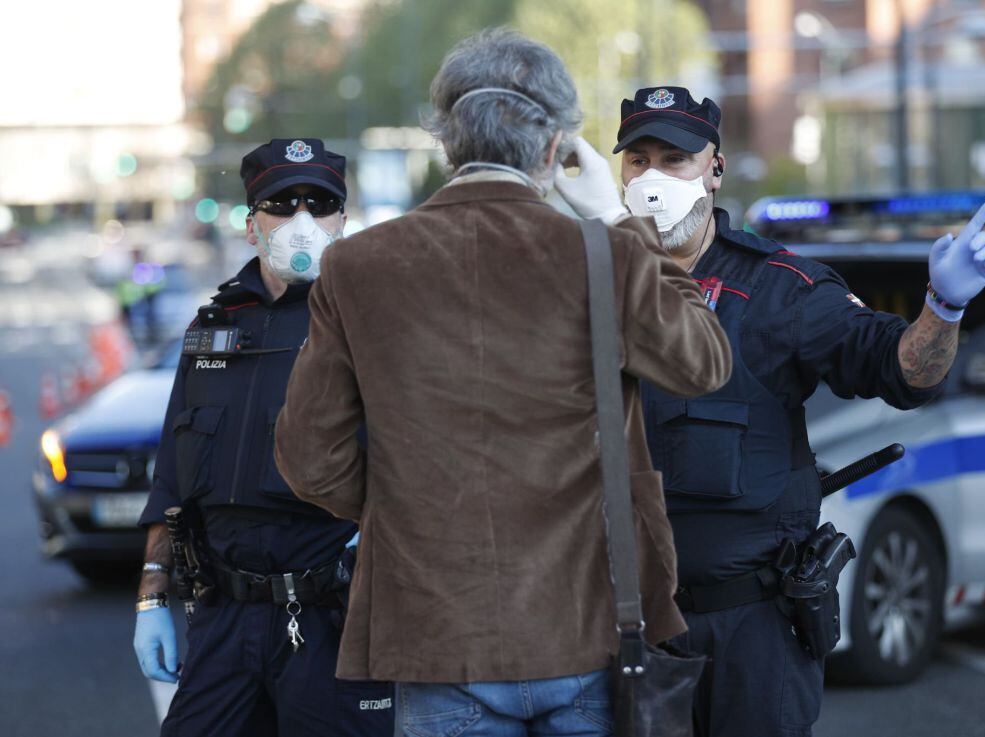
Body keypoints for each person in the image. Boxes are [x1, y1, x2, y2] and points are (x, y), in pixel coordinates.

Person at [272, 30, 733, 737]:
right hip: (583, 623)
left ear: (447, 142)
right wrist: (617, 216)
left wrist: (406, 512)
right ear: (554, 150)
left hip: (435, 631)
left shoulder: (357, 264)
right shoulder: (603, 253)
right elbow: (704, 362)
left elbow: (310, 456)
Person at [563, 86, 985, 737]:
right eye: (639, 160)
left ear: (714, 170)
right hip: (623, 627)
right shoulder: (586, 288)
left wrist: (943, 306)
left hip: (753, 633)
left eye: (675, 160)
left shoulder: (778, 289)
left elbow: (903, 372)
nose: (653, 178)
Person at [132, 138, 394, 737]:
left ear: (342, 222)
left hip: (334, 624)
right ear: (253, 227)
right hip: (223, 623)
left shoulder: (373, 325)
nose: (302, 220)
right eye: (282, 204)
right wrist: (151, 599)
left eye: (319, 203)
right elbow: (173, 472)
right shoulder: (213, 328)